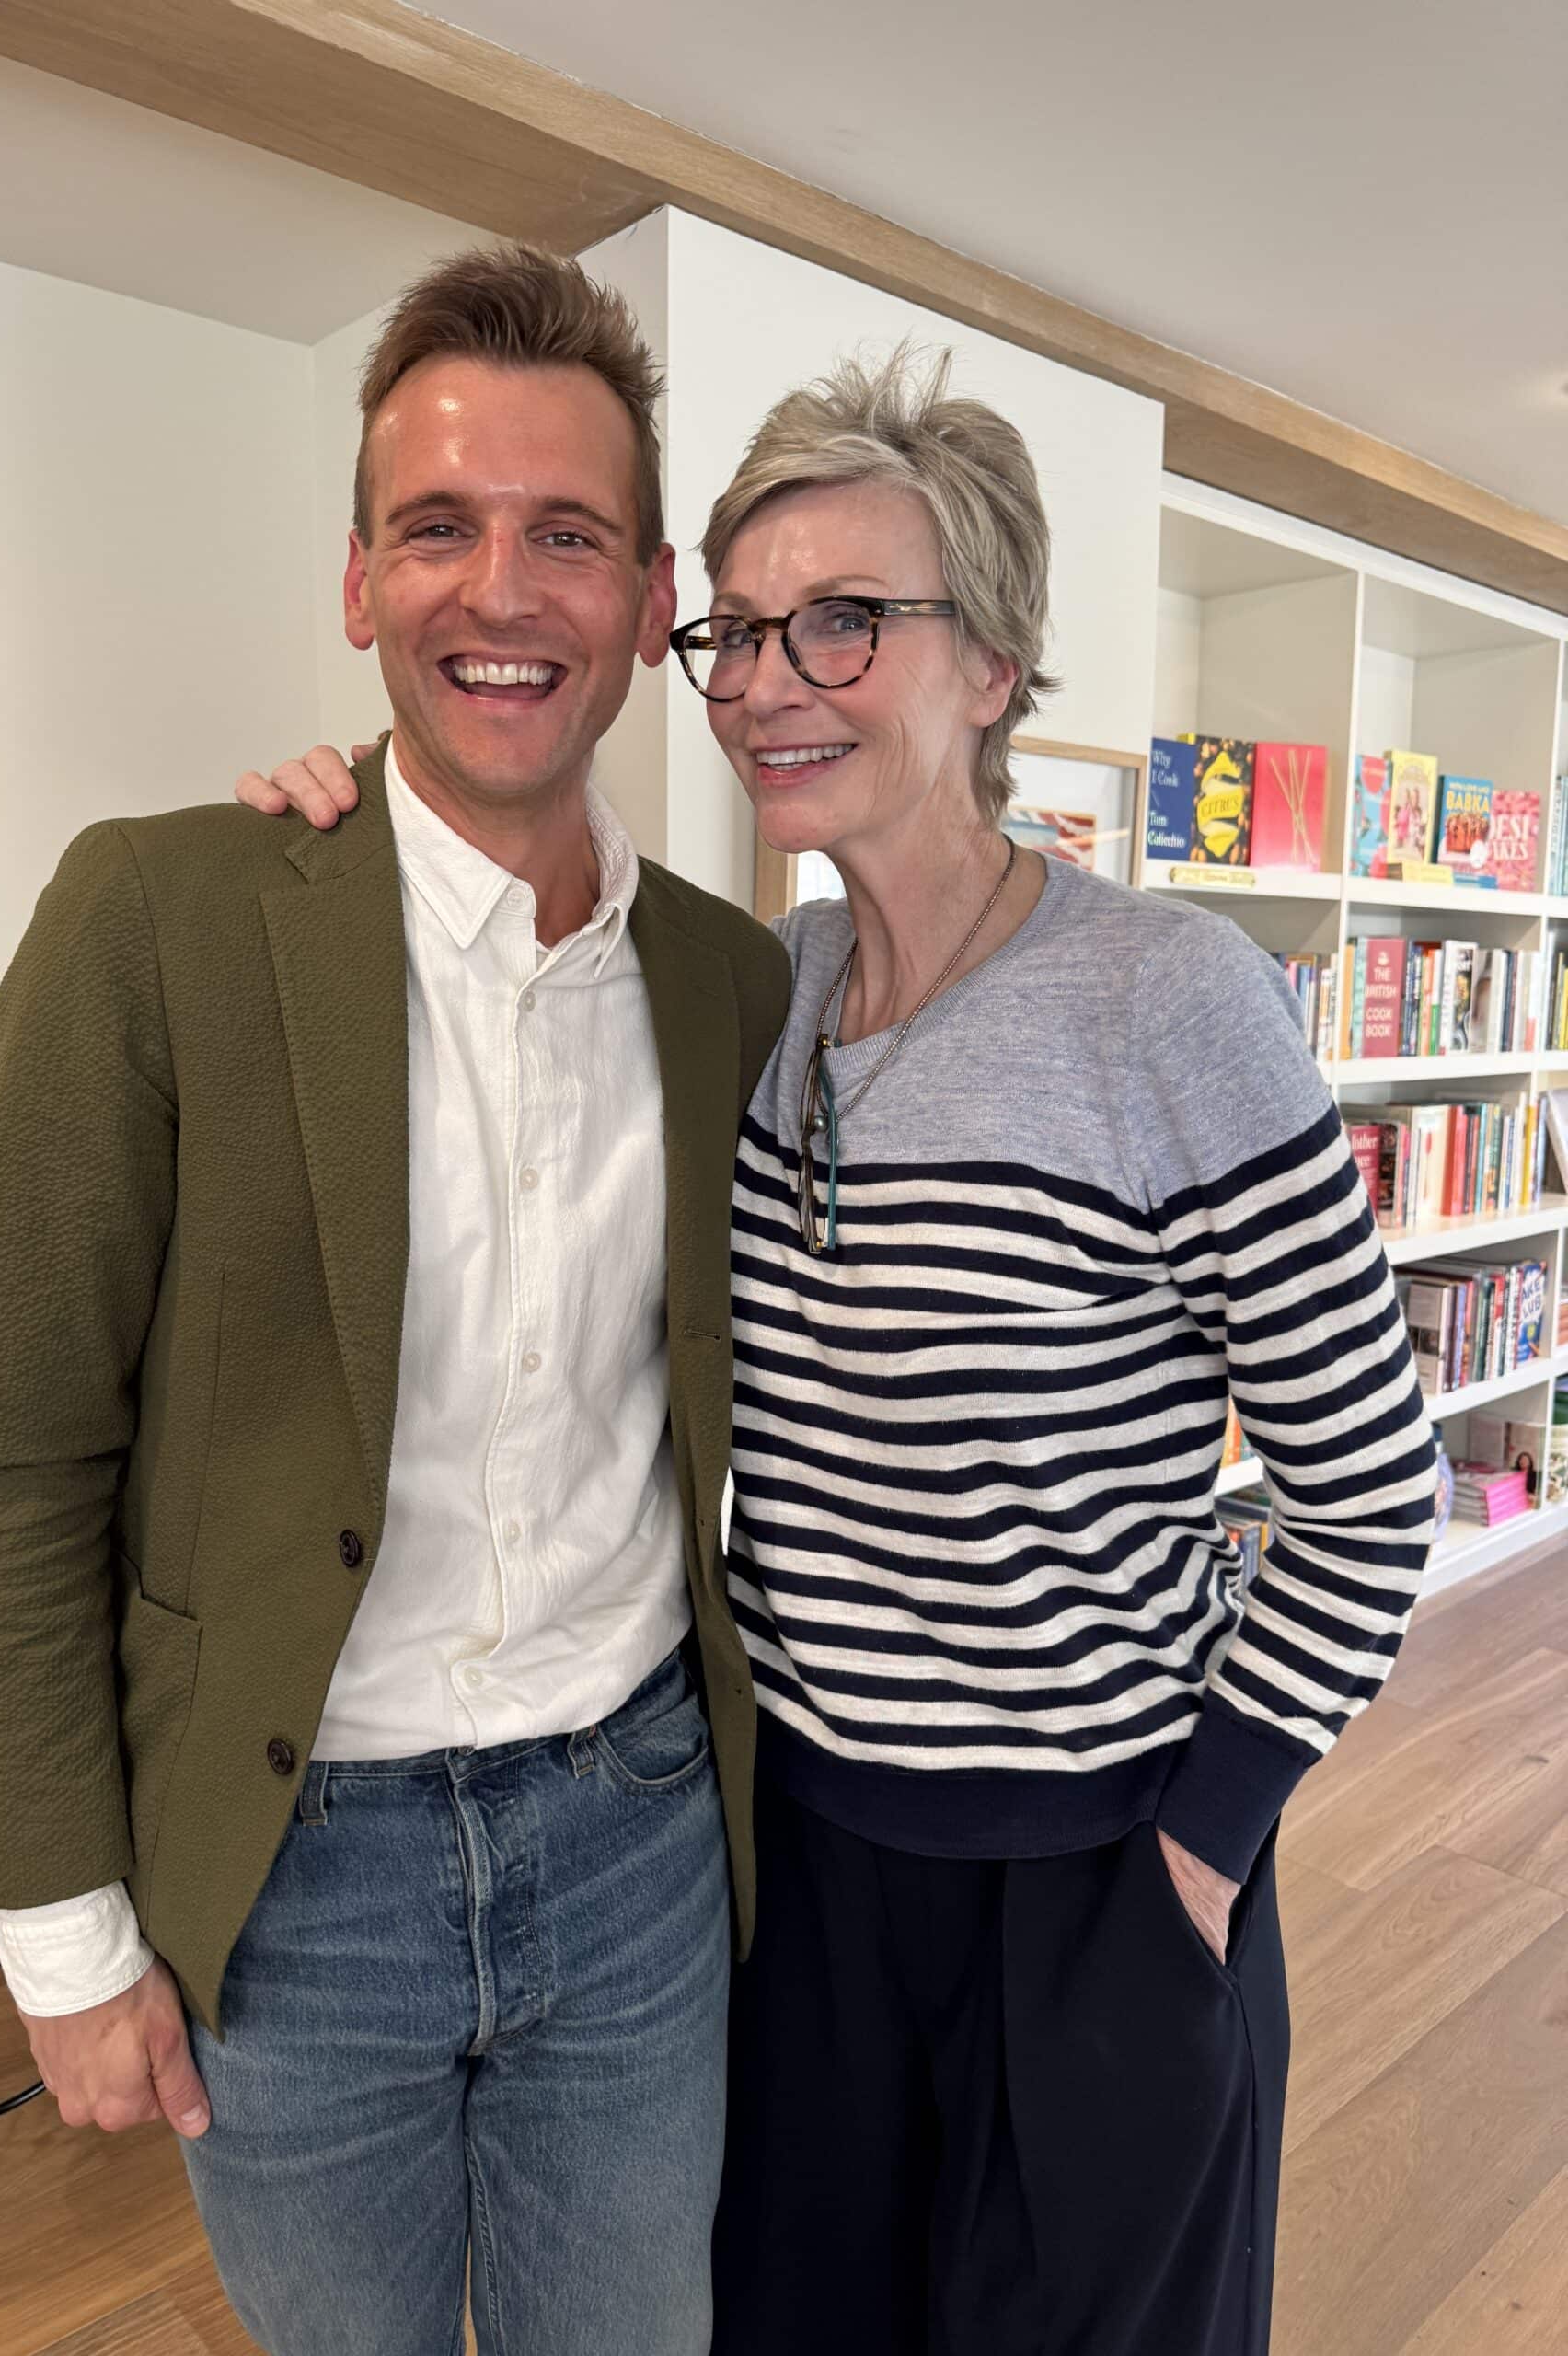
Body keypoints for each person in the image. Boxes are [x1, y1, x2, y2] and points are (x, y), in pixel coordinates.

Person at [251, 345, 1438, 2354]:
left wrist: (1198, 1851)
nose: (767, 678)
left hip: (1093, 1879)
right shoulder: (760, 988)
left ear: (991, 663)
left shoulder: (1172, 1000)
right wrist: (322, 827)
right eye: (736, 630)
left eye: (845, 621)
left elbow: (1373, 1482)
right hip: (793, 1873)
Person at [0, 244, 790, 2356]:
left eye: (567, 535)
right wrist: (59, 1927)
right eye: (441, 528)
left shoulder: (735, 986)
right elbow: (17, 1450)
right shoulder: (165, 915)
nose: (504, 589)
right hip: (299, 1877)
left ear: (652, 593)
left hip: (639, 1844)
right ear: (354, 581)